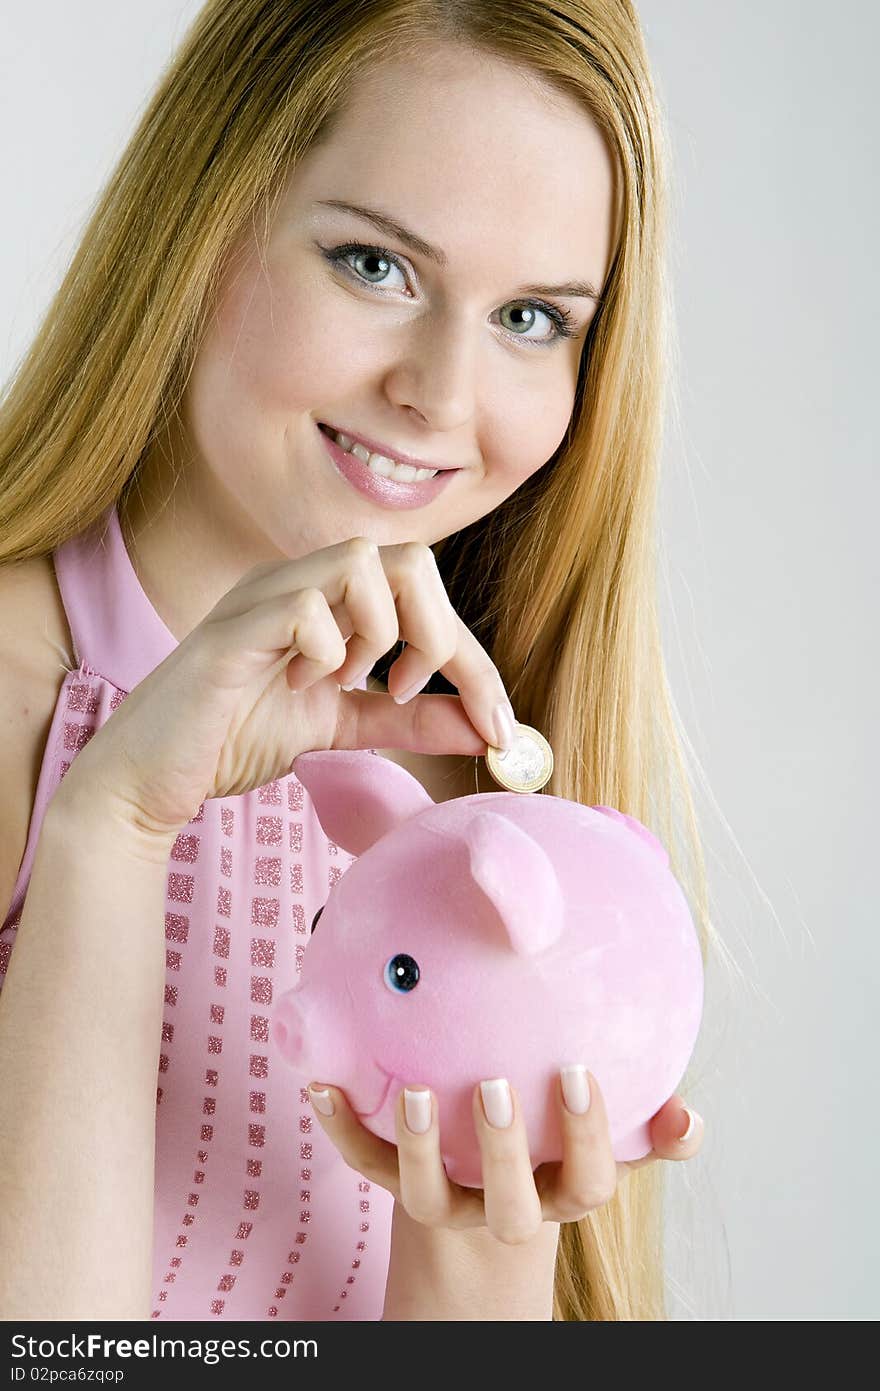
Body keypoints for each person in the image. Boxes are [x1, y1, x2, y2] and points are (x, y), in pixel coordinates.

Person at [0, 0, 715, 1322]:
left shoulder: (486, 810)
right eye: (375, 266)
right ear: (200, 223)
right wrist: (110, 824)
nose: (441, 397)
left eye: (533, 319)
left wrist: (480, 1254)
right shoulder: (19, 700)